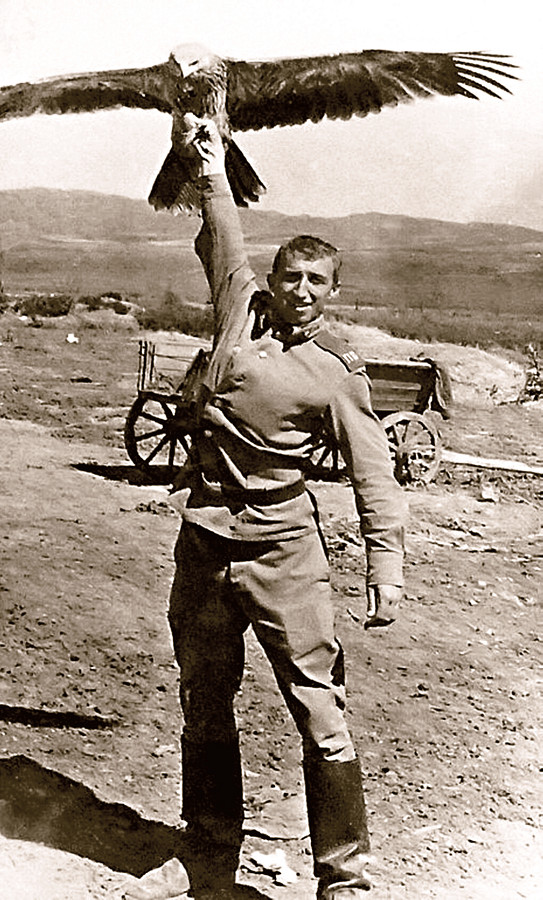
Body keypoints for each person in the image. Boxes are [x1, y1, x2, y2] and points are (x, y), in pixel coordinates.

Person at [167, 116, 406, 899]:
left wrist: (385, 567)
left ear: (333, 292)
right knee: (204, 699)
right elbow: (223, 233)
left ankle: (344, 879)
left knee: (318, 711)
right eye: (290, 277)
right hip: (204, 541)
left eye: (316, 282)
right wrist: (208, 163)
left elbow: (373, 472)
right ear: (270, 281)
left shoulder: (335, 373)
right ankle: (207, 858)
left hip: (282, 553)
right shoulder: (237, 313)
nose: (300, 291)